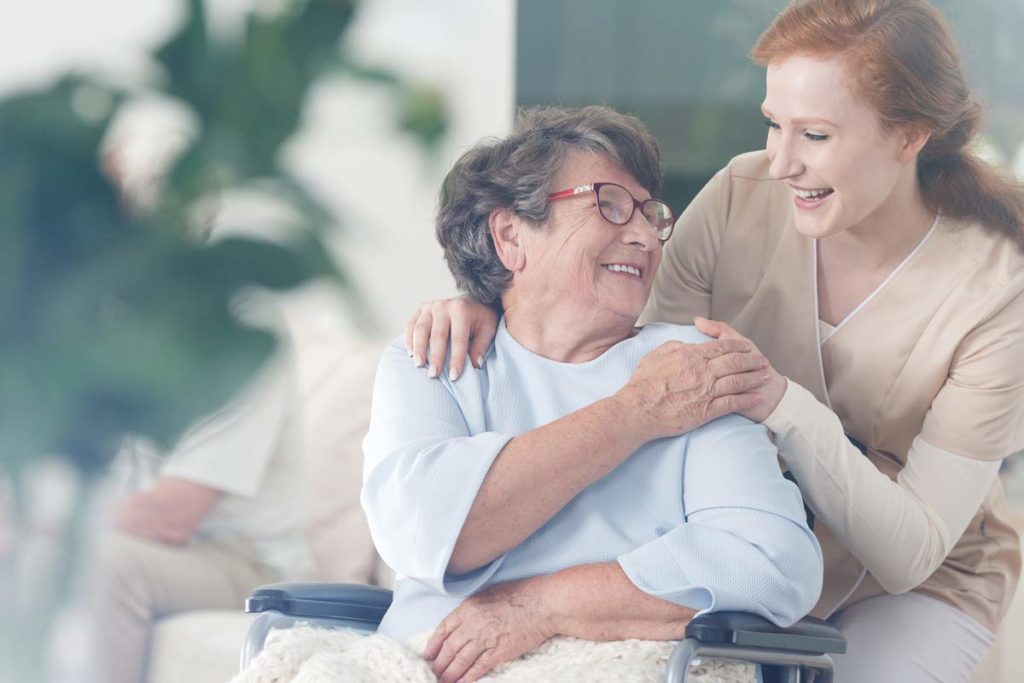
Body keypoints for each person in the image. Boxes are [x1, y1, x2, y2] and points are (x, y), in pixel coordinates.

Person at [403, 1, 1024, 680]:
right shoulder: (741, 195)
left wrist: (779, 402)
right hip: (745, 549)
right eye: (773, 125)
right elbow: (630, 350)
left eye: (814, 135)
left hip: (913, 581)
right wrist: (496, 297)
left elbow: (912, 550)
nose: (780, 161)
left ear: (910, 137)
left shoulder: (997, 289)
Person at [362, 105, 823, 683]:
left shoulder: (690, 370)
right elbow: (426, 534)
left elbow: (773, 563)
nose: (644, 236)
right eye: (609, 203)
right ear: (510, 235)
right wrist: (638, 412)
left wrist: (542, 606)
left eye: (650, 214)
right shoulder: (436, 358)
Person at [90, 344, 313, 683]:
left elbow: (170, 516)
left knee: (106, 563)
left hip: (253, 563)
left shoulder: (241, 342)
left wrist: (48, 528)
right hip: (179, 551)